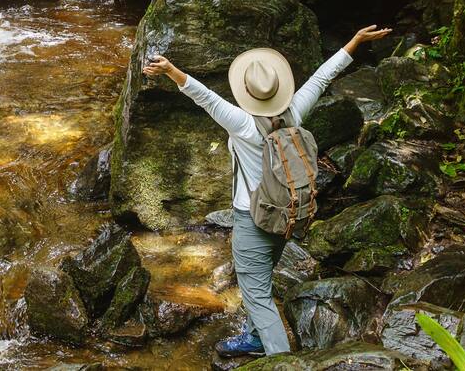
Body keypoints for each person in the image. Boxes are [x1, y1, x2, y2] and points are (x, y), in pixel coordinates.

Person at [142, 24, 392, 357]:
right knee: (260, 281)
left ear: (247, 91)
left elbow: (204, 97)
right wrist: (354, 42)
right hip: (288, 215)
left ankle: (279, 360)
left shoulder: (244, 124)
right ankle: (254, 338)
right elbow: (321, 78)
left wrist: (171, 70)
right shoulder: (295, 112)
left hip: (253, 220)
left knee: (257, 296)